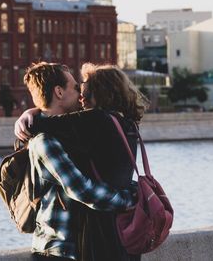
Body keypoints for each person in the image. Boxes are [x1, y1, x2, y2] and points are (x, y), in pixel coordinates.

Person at [15, 63, 149, 261]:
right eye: (77, 88)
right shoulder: (47, 139)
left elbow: (107, 176)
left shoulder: (89, 127)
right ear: (59, 92)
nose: (81, 95)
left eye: (83, 89)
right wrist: (132, 199)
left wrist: (32, 114)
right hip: (59, 249)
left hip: (86, 245)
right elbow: (85, 191)